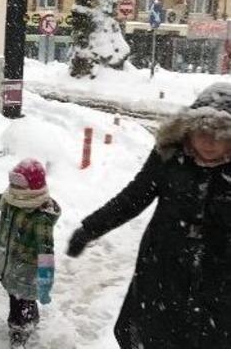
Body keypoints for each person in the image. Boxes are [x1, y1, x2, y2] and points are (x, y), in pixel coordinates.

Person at [67, 82, 231, 348]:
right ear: (188, 129)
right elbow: (134, 197)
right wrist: (90, 229)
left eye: (220, 134)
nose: (210, 142)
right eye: (203, 132)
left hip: (219, 281)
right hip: (163, 270)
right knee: (150, 335)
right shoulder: (169, 156)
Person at [0, 159, 60, 348]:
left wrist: (45, 283)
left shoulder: (40, 218)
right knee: (18, 298)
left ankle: (19, 331)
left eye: (17, 185)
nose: (12, 188)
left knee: (19, 304)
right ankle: (30, 319)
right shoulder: (14, 202)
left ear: (31, 189)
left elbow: (46, 253)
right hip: (11, 268)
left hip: (27, 273)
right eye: (12, 184)